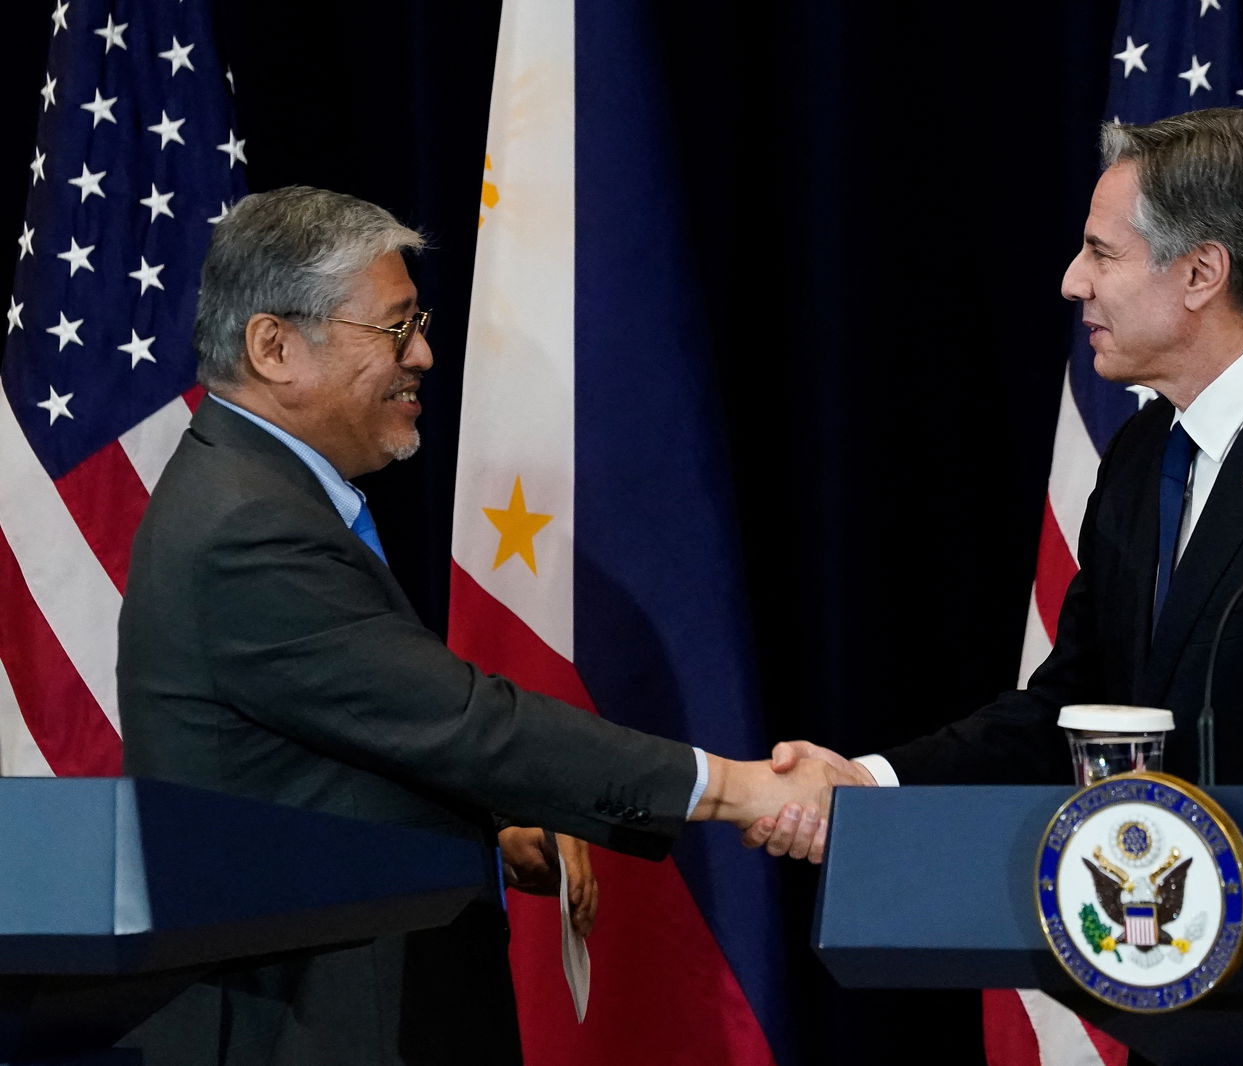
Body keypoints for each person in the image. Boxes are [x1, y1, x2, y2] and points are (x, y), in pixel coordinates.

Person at [116, 185, 833, 1066]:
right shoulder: (247, 525)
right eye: (395, 328)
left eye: (417, 325)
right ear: (274, 347)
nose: (422, 354)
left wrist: (491, 824)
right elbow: (461, 721)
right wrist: (735, 789)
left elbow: (345, 744)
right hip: (311, 1026)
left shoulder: (259, 491)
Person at [751, 106, 1243, 858]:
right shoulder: (1143, 453)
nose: (1072, 281)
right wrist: (870, 782)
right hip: (1150, 930)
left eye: (1102, 253)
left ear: (1201, 272)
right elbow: (1071, 708)